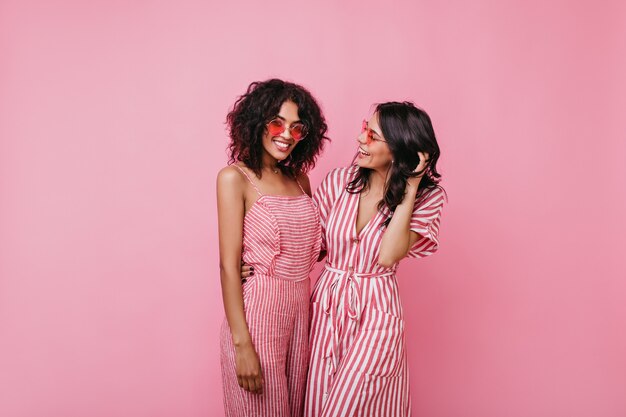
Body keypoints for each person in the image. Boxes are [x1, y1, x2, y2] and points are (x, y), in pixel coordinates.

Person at [304, 101, 446, 416]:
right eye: (364, 128)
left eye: (372, 135)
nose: (360, 139)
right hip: (326, 309)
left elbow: (388, 254)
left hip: (378, 313)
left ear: (398, 148)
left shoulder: (427, 198)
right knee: (317, 404)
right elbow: (311, 247)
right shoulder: (339, 182)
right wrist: (259, 263)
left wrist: (409, 188)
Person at [217, 79, 328, 417]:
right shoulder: (234, 178)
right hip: (259, 316)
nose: (286, 135)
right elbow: (227, 265)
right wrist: (242, 346)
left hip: (301, 314)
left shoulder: (300, 180)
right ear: (256, 123)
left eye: (297, 128)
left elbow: (315, 248)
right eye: (277, 123)